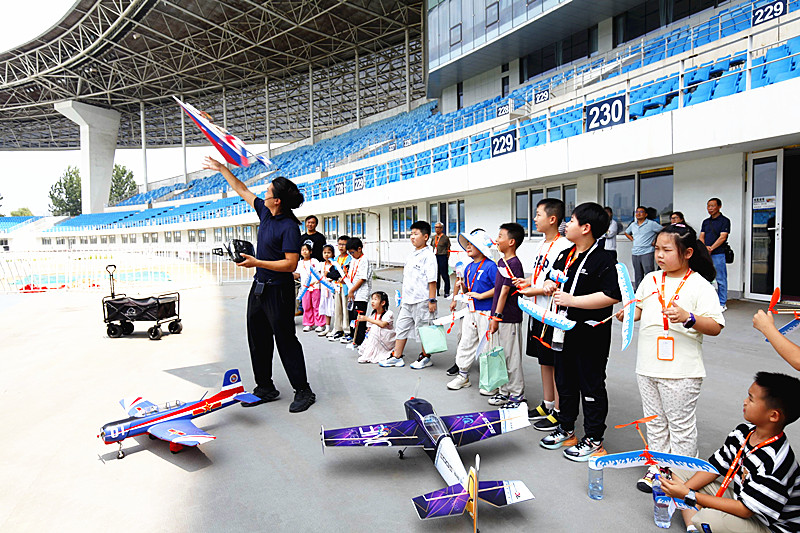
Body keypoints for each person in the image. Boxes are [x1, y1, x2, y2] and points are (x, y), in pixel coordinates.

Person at [615, 223, 724, 492]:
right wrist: (627, 314)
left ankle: (683, 480)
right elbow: (640, 308)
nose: (659, 255)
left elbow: (716, 326)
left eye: (666, 250)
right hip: (647, 366)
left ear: (687, 252)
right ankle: (658, 468)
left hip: (681, 372)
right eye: (656, 249)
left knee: (681, 428)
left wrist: (690, 318)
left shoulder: (700, 285)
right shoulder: (651, 279)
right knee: (654, 422)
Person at [202, 156, 315, 413]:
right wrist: (221, 169)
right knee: (258, 338)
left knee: (286, 340)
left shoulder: (289, 227)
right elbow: (242, 189)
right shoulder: (265, 212)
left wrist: (257, 262)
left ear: (277, 200)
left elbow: (290, 264)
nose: (263, 193)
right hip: (259, 287)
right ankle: (265, 387)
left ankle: (304, 390)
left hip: (279, 290)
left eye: (268, 191)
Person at [661, 372, 800, 533]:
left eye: (751, 399)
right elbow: (714, 468)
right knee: (680, 470)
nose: (745, 401)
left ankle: (701, 522)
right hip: (744, 501)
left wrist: (689, 495)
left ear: (773, 415)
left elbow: (746, 510)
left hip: (770, 526)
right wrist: (681, 490)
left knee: (708, 519)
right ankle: (693, 529)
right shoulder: (743, 433)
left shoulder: (776, 461)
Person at [539, 202, 621, 461]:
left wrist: (572, 300)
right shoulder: (566, 254)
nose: (566, 225)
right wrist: (551, 285)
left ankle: (595, 439)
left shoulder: (604, 259)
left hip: (590, 334)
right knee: (565, 380)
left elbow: (611, 296)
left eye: (571, 221)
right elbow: (554, 277)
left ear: (586, 228)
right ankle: (566, 428)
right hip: (562, 331)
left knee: (591, 384)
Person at [514, 199, 573, 429]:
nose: (535, 218)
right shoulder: (543, 244)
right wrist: (527, 282)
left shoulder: (563, 246)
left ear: (552, 219)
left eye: (538, 214)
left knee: (556, 363)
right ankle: (547, 403)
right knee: (544, 360)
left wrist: (531, 289)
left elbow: (557, 283)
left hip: (553, 314)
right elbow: (541, 276)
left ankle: (559, 410)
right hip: (538, 311)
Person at [379, 221, 438, 369]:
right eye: (411, 234)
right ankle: (397, 357)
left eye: (416, 234)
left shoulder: (429, 256)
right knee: (401, 327)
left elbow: (432, 280)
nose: (412, 237)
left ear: (425, 237)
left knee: (425, 329)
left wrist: (432, 300)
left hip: (422, 299)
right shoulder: (412, 254)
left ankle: (425, 357)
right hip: (408, 299)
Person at [446, 229, 497, 390]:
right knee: (465, 342)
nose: (467, 247)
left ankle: (491, 381)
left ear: (481, 247)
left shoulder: (491, 266)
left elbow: (500, 288)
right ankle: (463, 375)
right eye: (467, 244)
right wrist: (463, 287)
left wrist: (482, 296)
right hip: (470, 310)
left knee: (488, 346)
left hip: (486, 312)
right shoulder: (468, 268)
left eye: (471, 244)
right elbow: (470, 290)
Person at [486, 222, 526, 406]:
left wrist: (496, 316)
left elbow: (504, 292)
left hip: (508, 317)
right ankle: (504, 391)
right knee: (501, 355)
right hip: (499, 316)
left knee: (512, 357)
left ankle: (517, 395)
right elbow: (497, 290)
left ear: (511, 242)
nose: (497, 239)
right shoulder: (501, 262)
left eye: (500, 236)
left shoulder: (514, 264)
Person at [699, 197, 731, 311]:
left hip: (718, 253)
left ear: (719, 206)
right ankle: (707, 301)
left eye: (712, 206)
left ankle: (722, 303)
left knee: (721, 279)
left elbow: (723, 237)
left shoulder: (724, 221)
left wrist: (711, 248)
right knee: (705, 278)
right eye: (708, 206)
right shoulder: (706, 222)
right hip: (706, 254)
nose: (710, 208)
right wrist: (704, 248)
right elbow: (701, 236)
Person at [343, 237, 372, 346]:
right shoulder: (354, 259)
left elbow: (362, 279)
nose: (351, 255)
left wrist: (352, 290)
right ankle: (352, 335)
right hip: (353, 292)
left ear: (359, 249)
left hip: (360, 294)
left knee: (359, 317)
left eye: (352, 252)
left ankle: (359, 340)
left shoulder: (364, 260)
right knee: (352, 315)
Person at [626, 205, 662, 289]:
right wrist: (633, 240)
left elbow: (663, 231)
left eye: (641, 212)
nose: (638, 214)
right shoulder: (633, 225)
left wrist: (656, 241)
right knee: (638, 274)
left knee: (649, 273)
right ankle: (639, 292)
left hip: (647, 252)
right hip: (635, 252)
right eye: (637, 212)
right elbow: (627, 232)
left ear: (646, 214)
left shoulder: (651, 224)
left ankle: (652, 290)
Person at [357, 291, 396, 364]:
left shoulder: (389, 313)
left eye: (375, 299)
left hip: (386, 337)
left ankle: (370, 354)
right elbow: (369, 327)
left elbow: (382, 324)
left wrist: (367, 319)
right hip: (377, 337)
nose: (372, 302)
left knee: (375, 327)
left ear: (383, 303)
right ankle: (371, 352)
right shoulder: (373, 314)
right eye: (372, 299)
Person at [294, 243, 325, 333]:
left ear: (310, 251)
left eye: (306, 250)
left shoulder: (315, 261)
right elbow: (297, 274)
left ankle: (320, 324)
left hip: (315, 287)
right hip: (305, 288)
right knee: (306, 306)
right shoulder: (299, 263)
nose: (304, 251)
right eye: (302, 250)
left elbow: (319, 273)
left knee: (317, 305)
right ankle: (308, 323)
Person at [327, 235, 351, 341]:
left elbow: (348, 273)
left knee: (345, 309)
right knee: (338, 309)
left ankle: (347, 330)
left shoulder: (350, 259)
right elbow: (330, 273)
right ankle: (338, 329)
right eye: (339, 244)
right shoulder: (335, 259)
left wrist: (335, 275)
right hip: (337, 287)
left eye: (343, 244)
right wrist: (336, 275)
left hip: (345, 287)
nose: (341, 247)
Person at [317, 244, 337, 336]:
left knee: (334, 308)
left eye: (328, 252)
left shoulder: (335, 264)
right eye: (324, 253)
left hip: (333, 289)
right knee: (325, 307)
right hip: (324, 291)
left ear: (333, 254)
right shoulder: (321, 264)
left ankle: (336, 328)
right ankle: (327, 327)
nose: (326, 255)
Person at [431, 222, 452, 297]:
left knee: (444, 275)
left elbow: (448, 248)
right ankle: (437, 290)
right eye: (435, 227)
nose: (436, 229)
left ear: (442, 229)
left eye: (438, 227)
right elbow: (432, 246)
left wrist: (447, 257)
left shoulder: (445, 238)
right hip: (435, 256)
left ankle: (447, 291)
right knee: (436, 275)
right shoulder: (433, 237)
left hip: (443, 256)